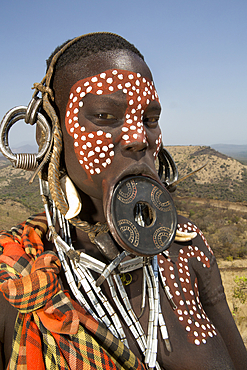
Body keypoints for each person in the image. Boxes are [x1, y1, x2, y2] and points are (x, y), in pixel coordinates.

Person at [0, 32, 246, 370]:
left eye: (150, 120)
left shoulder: (188, 248)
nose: (138, 138)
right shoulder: (17, 282)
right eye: (103, 116)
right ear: (49, 134)